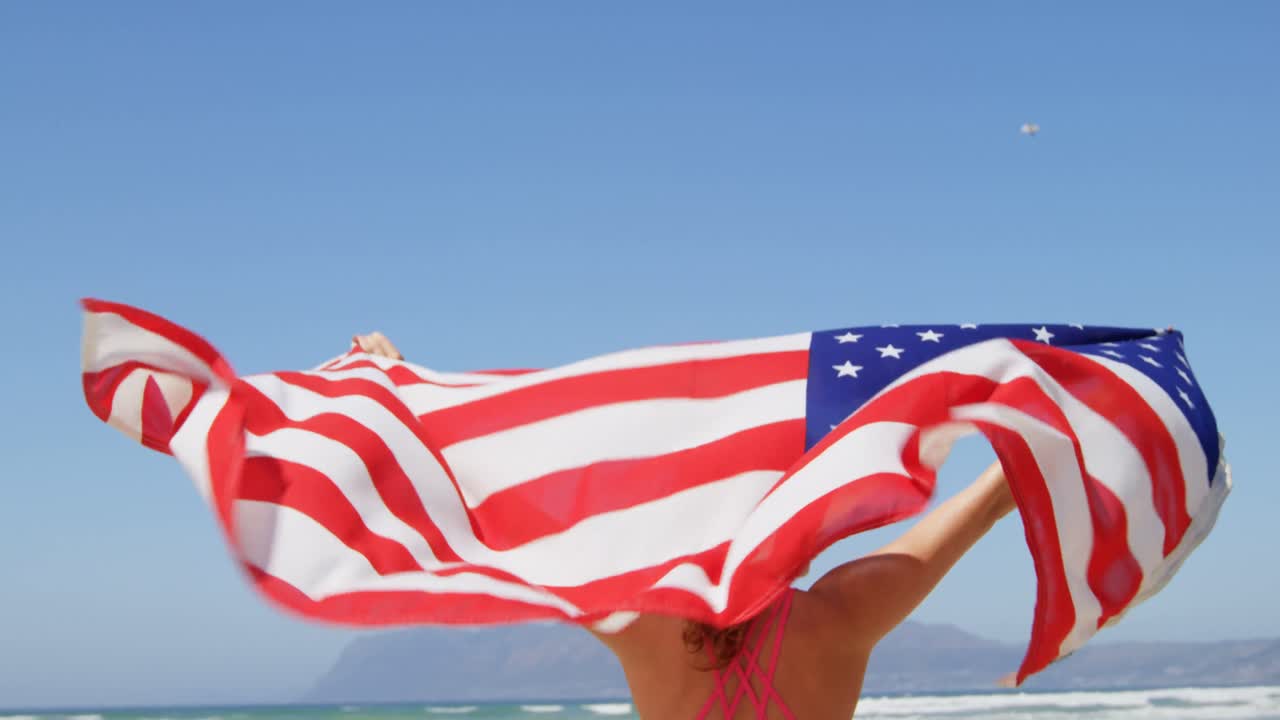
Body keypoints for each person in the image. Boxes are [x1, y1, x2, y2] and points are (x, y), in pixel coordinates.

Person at [356, 332, 1019, 720]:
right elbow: (992, 500)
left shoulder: (648, 631)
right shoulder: (844, 616)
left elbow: (499, 518)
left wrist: (405, 389)